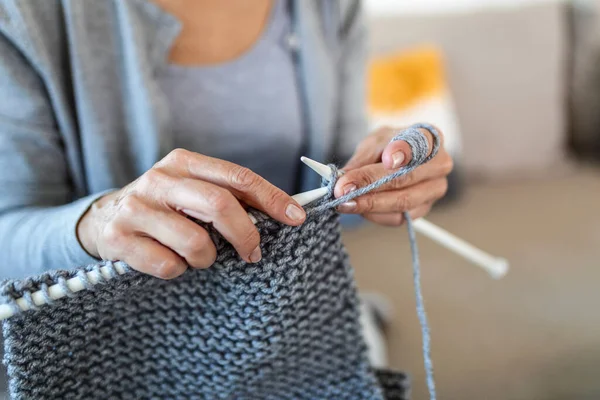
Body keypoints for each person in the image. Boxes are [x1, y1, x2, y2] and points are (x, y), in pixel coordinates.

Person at [0, 0, 452, 280]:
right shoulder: (24, 16)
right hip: (116, 349)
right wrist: (95, 225)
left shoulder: (329, 7)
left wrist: (386, 183)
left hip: (294, 327)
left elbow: (339, 193)